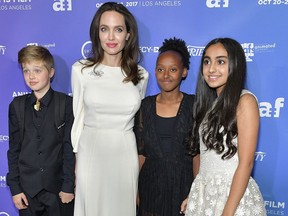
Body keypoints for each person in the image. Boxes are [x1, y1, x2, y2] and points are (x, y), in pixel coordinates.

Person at [70, 2, 149, 216]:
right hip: (90, 153)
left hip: (124, 154)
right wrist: (76, 164)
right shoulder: (81, 71)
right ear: (97, 33)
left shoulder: (141, 75)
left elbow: (138, 124)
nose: (111, 37)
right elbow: (78, 118)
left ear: (128, 35)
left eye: (118, 29)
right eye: (104, 29)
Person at [181, 38, 266, 216]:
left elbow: (246, 163)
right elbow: (204, 159)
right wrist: (195, 195)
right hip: (205, 197)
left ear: (235, 65)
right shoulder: (208, 106)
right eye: (207, 61)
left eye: (220, 61)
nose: (211, 69)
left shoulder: (245, 101)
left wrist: (227, 213)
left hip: (233, 198)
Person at [7, 45, 75, 216]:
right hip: (27, 193)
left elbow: (69, 149)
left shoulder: (65, 104)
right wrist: (15, 188)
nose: (31, 76)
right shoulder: (17, 106)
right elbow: (14, 149)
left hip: (57, 192)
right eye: (26, 70)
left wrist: (68, 186)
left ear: (51, 72)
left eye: (37, 70)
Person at [134, 37, 200, 216]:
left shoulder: (195, 106)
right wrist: (134, 190)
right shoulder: (144, 106)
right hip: (150, 186)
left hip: (184, 186)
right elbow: (141, 153)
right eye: (160, 69)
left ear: (184, 72)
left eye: (173, 69)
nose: (166, 75)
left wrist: (197, 190)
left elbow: (197, 155)